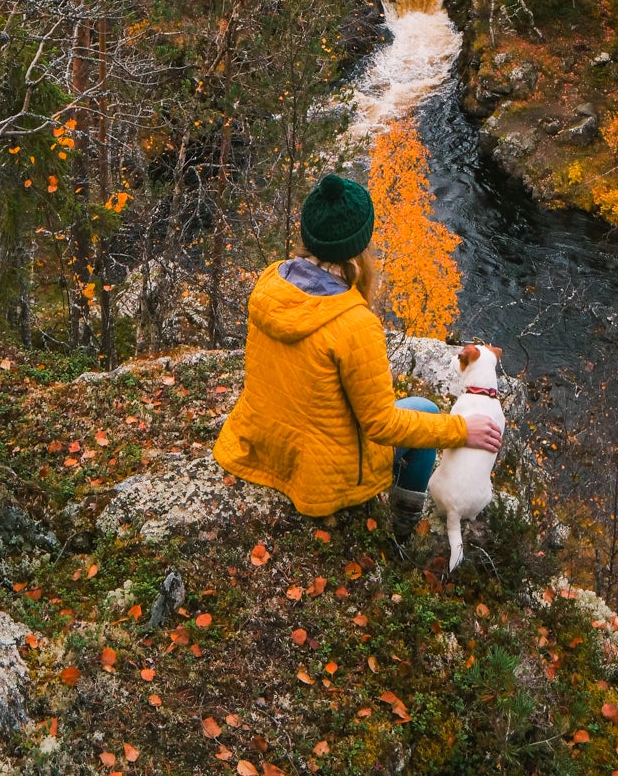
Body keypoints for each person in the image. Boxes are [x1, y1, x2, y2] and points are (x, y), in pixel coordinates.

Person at [213, 171, 502, 524]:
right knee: (425, 409)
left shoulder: (271, 281)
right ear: (360, 246)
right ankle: (402, 526)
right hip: (320, 474)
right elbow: (381, 425)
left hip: (262, 444)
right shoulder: (354, 323)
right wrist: (461, 429)